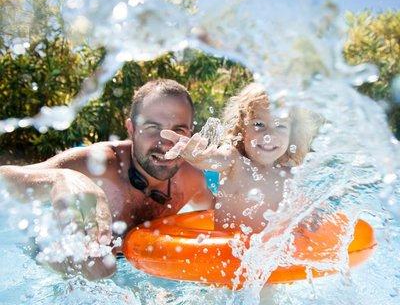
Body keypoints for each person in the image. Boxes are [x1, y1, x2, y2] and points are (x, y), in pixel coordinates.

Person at [0, 79, 214, 277]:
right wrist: (59, 179)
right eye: (152, 128)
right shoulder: (97, 165)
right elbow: (4, 179)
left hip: (130, 274)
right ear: (131, 128)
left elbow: (224, 215)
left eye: (178, 130)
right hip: (45, 269)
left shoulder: (191, 178)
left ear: (190, 133)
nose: (166, 144)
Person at [161, 82, 319, 233]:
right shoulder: (235, 162)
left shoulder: (291, 178)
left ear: (292, 134)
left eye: (280, 126)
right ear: (242, 128)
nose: (269, 135)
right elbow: (216, 158)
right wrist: (199, 156)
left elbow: (305, 219)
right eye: (258, 124)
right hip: (227, 255)